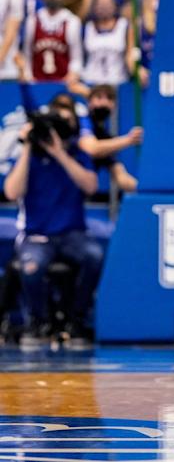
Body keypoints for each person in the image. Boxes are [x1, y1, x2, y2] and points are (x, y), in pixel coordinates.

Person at [3, 95, 100, 351]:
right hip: (37, 236)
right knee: (31, 267)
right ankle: (38, 321)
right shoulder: (30, 157)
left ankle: (75, 319)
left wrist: (59, 153)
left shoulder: (78, 154)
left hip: (72, 234)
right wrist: (25, 145)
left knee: (94, 256)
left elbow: (90, 186)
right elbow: (12, 192)